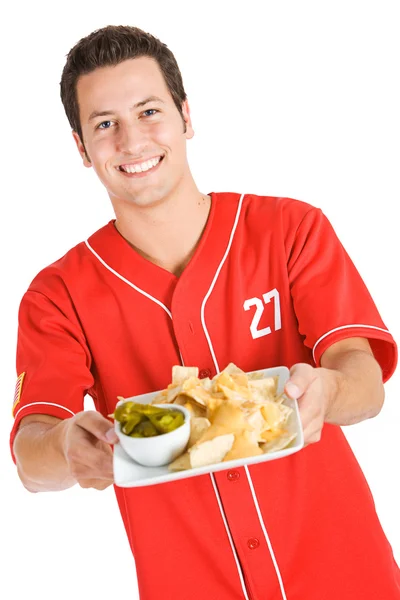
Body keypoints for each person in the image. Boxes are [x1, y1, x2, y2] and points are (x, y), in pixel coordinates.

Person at [10, 24, 399, 600]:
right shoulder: (56, 295)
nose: (132, 141)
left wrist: (328, 393)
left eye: (149, 112)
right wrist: (68, 447)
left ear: (186, 116)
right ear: (81, 148)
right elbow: (31, 454)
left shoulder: (290, 230)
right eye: (105, 124)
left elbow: (363, 379)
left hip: (347, 574)